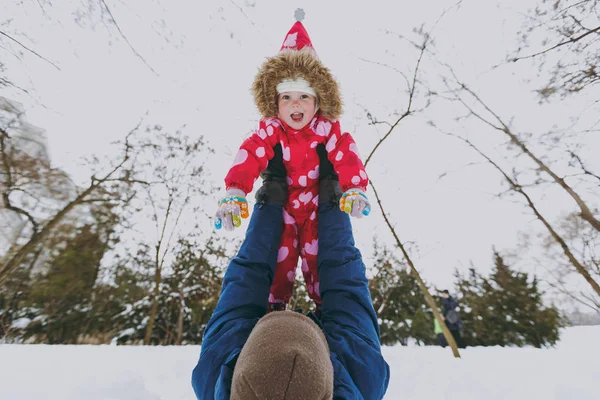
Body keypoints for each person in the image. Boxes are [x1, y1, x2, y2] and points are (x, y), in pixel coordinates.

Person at [192, 153, 389, 398]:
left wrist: (271, 198)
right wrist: (331, 198)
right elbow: (345, 285)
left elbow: (246, 284)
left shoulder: (215, 375)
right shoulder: (361, 376)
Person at [214, 9, 371, 312]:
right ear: (275, 103)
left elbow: (346, 153)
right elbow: (251, 151)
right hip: (283, 205)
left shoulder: (327, 130)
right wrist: (235, 191)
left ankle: (326, 307)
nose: (295, 103)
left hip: (316, 204)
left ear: (317, 102)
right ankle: (274, 306)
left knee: (319, 256)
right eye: (286, 97)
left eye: (303, 96)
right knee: (279, 255)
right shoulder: (272, 130)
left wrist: (355, 187)